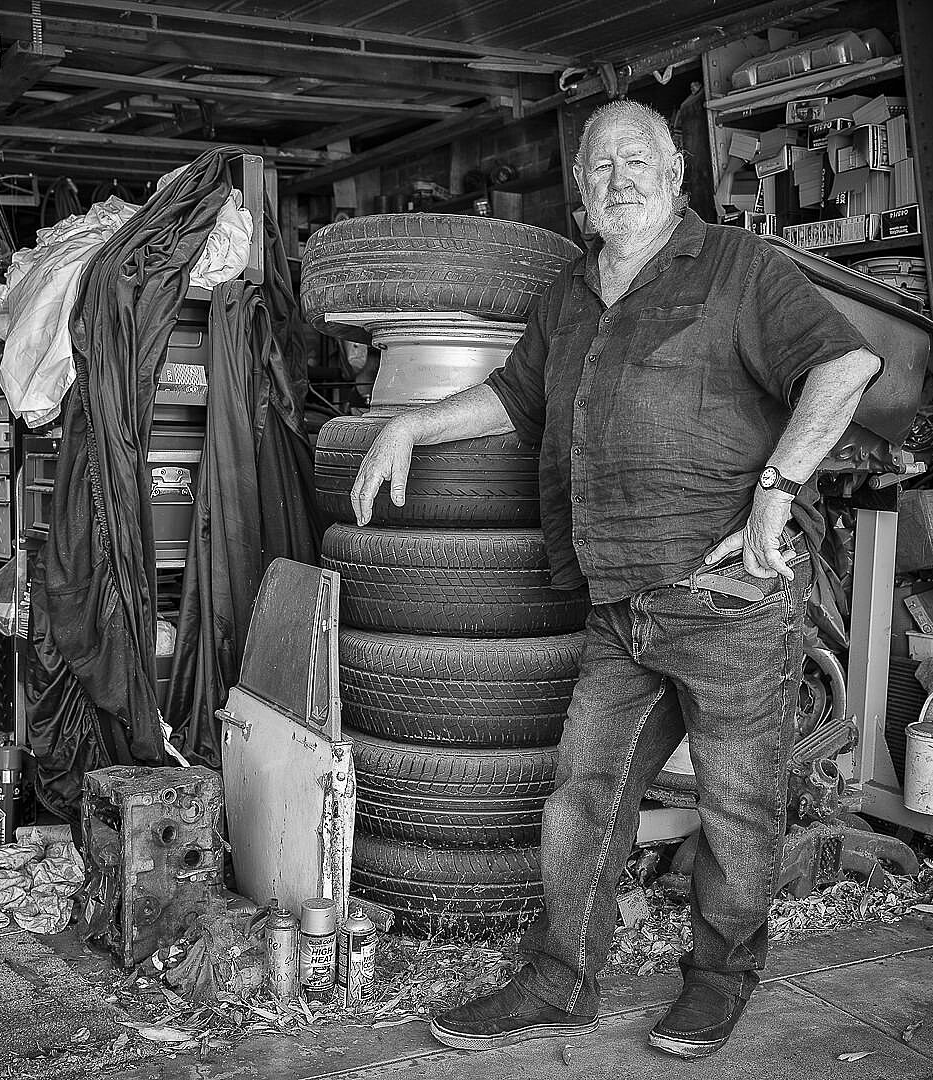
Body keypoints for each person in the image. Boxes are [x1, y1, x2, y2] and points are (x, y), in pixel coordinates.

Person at [349, 99, 881, 1059]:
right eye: (601, 166)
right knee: (581, 798)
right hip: (617, 602)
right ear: (582, 193)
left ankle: (718, 980)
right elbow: (513, 401)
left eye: (638, 160)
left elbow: (845, 364)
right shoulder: (569, 293)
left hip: (726, 597)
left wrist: (777, 489)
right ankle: (561, 982)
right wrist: (410, 424)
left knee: (737, 807)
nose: (619, 178)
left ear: (675, 173)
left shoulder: (740, 267)